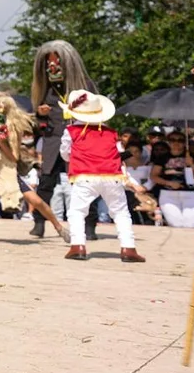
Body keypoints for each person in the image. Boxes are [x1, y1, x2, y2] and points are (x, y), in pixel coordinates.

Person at [0, 92, 65, 243]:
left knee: (35, 200)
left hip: (6, 172)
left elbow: (14, 158)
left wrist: (2, 143)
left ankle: (59, 227)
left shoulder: (12, 134)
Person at [57, 91, 143, 262]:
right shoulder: (111, 132)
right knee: (120, 212)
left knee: (77, 211)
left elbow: (65, 154)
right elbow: (114, 152)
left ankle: (78, 246)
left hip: (84, 176)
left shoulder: (72, 130)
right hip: (111, 175)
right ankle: (128, 248)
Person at [28, 41, 96, 240]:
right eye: (48, 63)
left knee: (82, 185)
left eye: (56, 62)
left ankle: (89, 226)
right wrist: (40, 115)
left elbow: (98, 112)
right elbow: (37, 125)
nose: (52, 67)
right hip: (53, 142)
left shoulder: (85, 86)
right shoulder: (45, 90)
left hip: (78, 141)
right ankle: (39, 223)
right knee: (45, 184)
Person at [149, 127, 194, 228]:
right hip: (168, 195)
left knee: (191, 225)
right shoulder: (162, 157)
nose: (176, 143)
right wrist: (169, 183)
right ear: (168, 142)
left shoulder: (193, 157)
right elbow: (154, 176)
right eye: (173, 140)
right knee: (176, 225)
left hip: (192, 194)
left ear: (185, 143)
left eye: (180, 140)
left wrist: (192, 164)